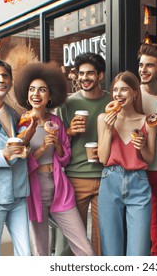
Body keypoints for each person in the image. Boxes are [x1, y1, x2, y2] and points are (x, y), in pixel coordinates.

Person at [14, 62, 94, 256]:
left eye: (42, 90)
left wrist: (57, 145)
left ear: (50, 96)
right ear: (26, 94)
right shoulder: (21, 125)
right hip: (34, 189)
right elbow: (19, 163)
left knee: (84, 246)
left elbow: (65, 158)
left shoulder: (55, 121)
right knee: (40, 250)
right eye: (32, 89)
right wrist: (41, 149)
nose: (36, 94)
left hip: (58, 185)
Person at [56, 52, 112, 255]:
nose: (85, 78)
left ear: (100, 76)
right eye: (81, 74)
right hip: (75, 177)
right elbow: (57, 146)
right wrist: (69, 131)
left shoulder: (112, 102)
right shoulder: (67, 104)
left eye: (90, 73)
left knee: (103, 235)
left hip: (106, 176)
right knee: (72, 236)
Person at [97, 71, 156, 255]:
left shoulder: (147, 121)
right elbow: (102, 158)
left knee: (138, 252)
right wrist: (107, 129)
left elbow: (149, 158)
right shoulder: (103, 119)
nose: (118, 94)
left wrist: (142, 146)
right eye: (115, 90)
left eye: (124, 90)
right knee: (110, 249)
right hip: (110, 182)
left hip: (138, 183)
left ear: (135, 93)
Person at [0, 60, 35, 256]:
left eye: (5, 76)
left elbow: (18, 144)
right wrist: (4, 155)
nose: (1, 79)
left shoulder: (14, 113)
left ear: (10, 82)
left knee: (25, 254)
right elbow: (6, 152)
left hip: (18, 194)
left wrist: (25, 146)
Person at [137, 43, 157, 256]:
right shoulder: (132, 94)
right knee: (138, 228)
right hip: (136, 170)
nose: (143, 70)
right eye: (141, 65)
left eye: (149, 66)